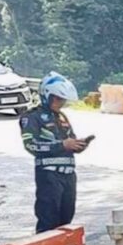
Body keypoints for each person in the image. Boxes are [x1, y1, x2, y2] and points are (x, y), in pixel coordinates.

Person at [20, 72, 90, 233]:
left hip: (69, 175)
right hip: (49, 175)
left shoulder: (62, 117)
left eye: (62, 100)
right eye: (57, 98)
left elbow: (70, 140)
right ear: (47, 96)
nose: (60, 103)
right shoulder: (32, 117)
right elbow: (31, 145)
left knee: (65, 221)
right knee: (48, 222)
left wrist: (79, 144)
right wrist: (62, 145)